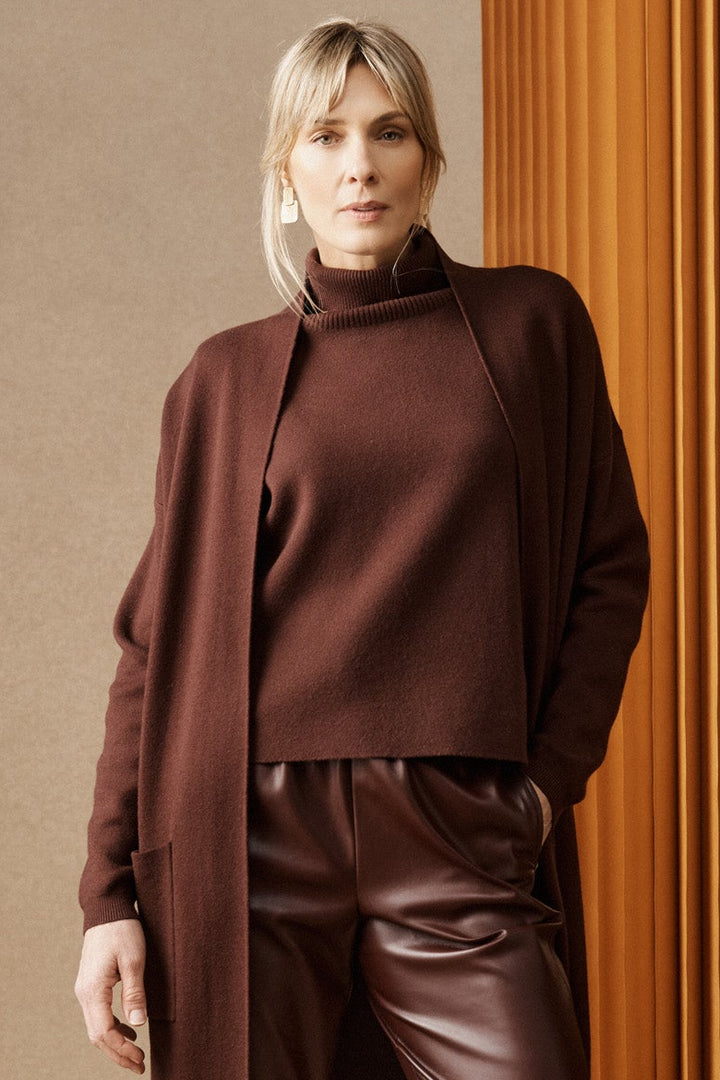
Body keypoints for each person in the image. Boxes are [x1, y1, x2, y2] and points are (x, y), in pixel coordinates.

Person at [75, 17, 650, 1080]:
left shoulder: (531, 327)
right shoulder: (223, 380)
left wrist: (541, 788)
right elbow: (152, 648)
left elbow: (609, 567)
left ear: (428, 159)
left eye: (388, 133)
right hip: (249, 831)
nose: (358, 167)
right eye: (325, 136)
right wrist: (108, 896)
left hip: (453, 818)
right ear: (285, 167)